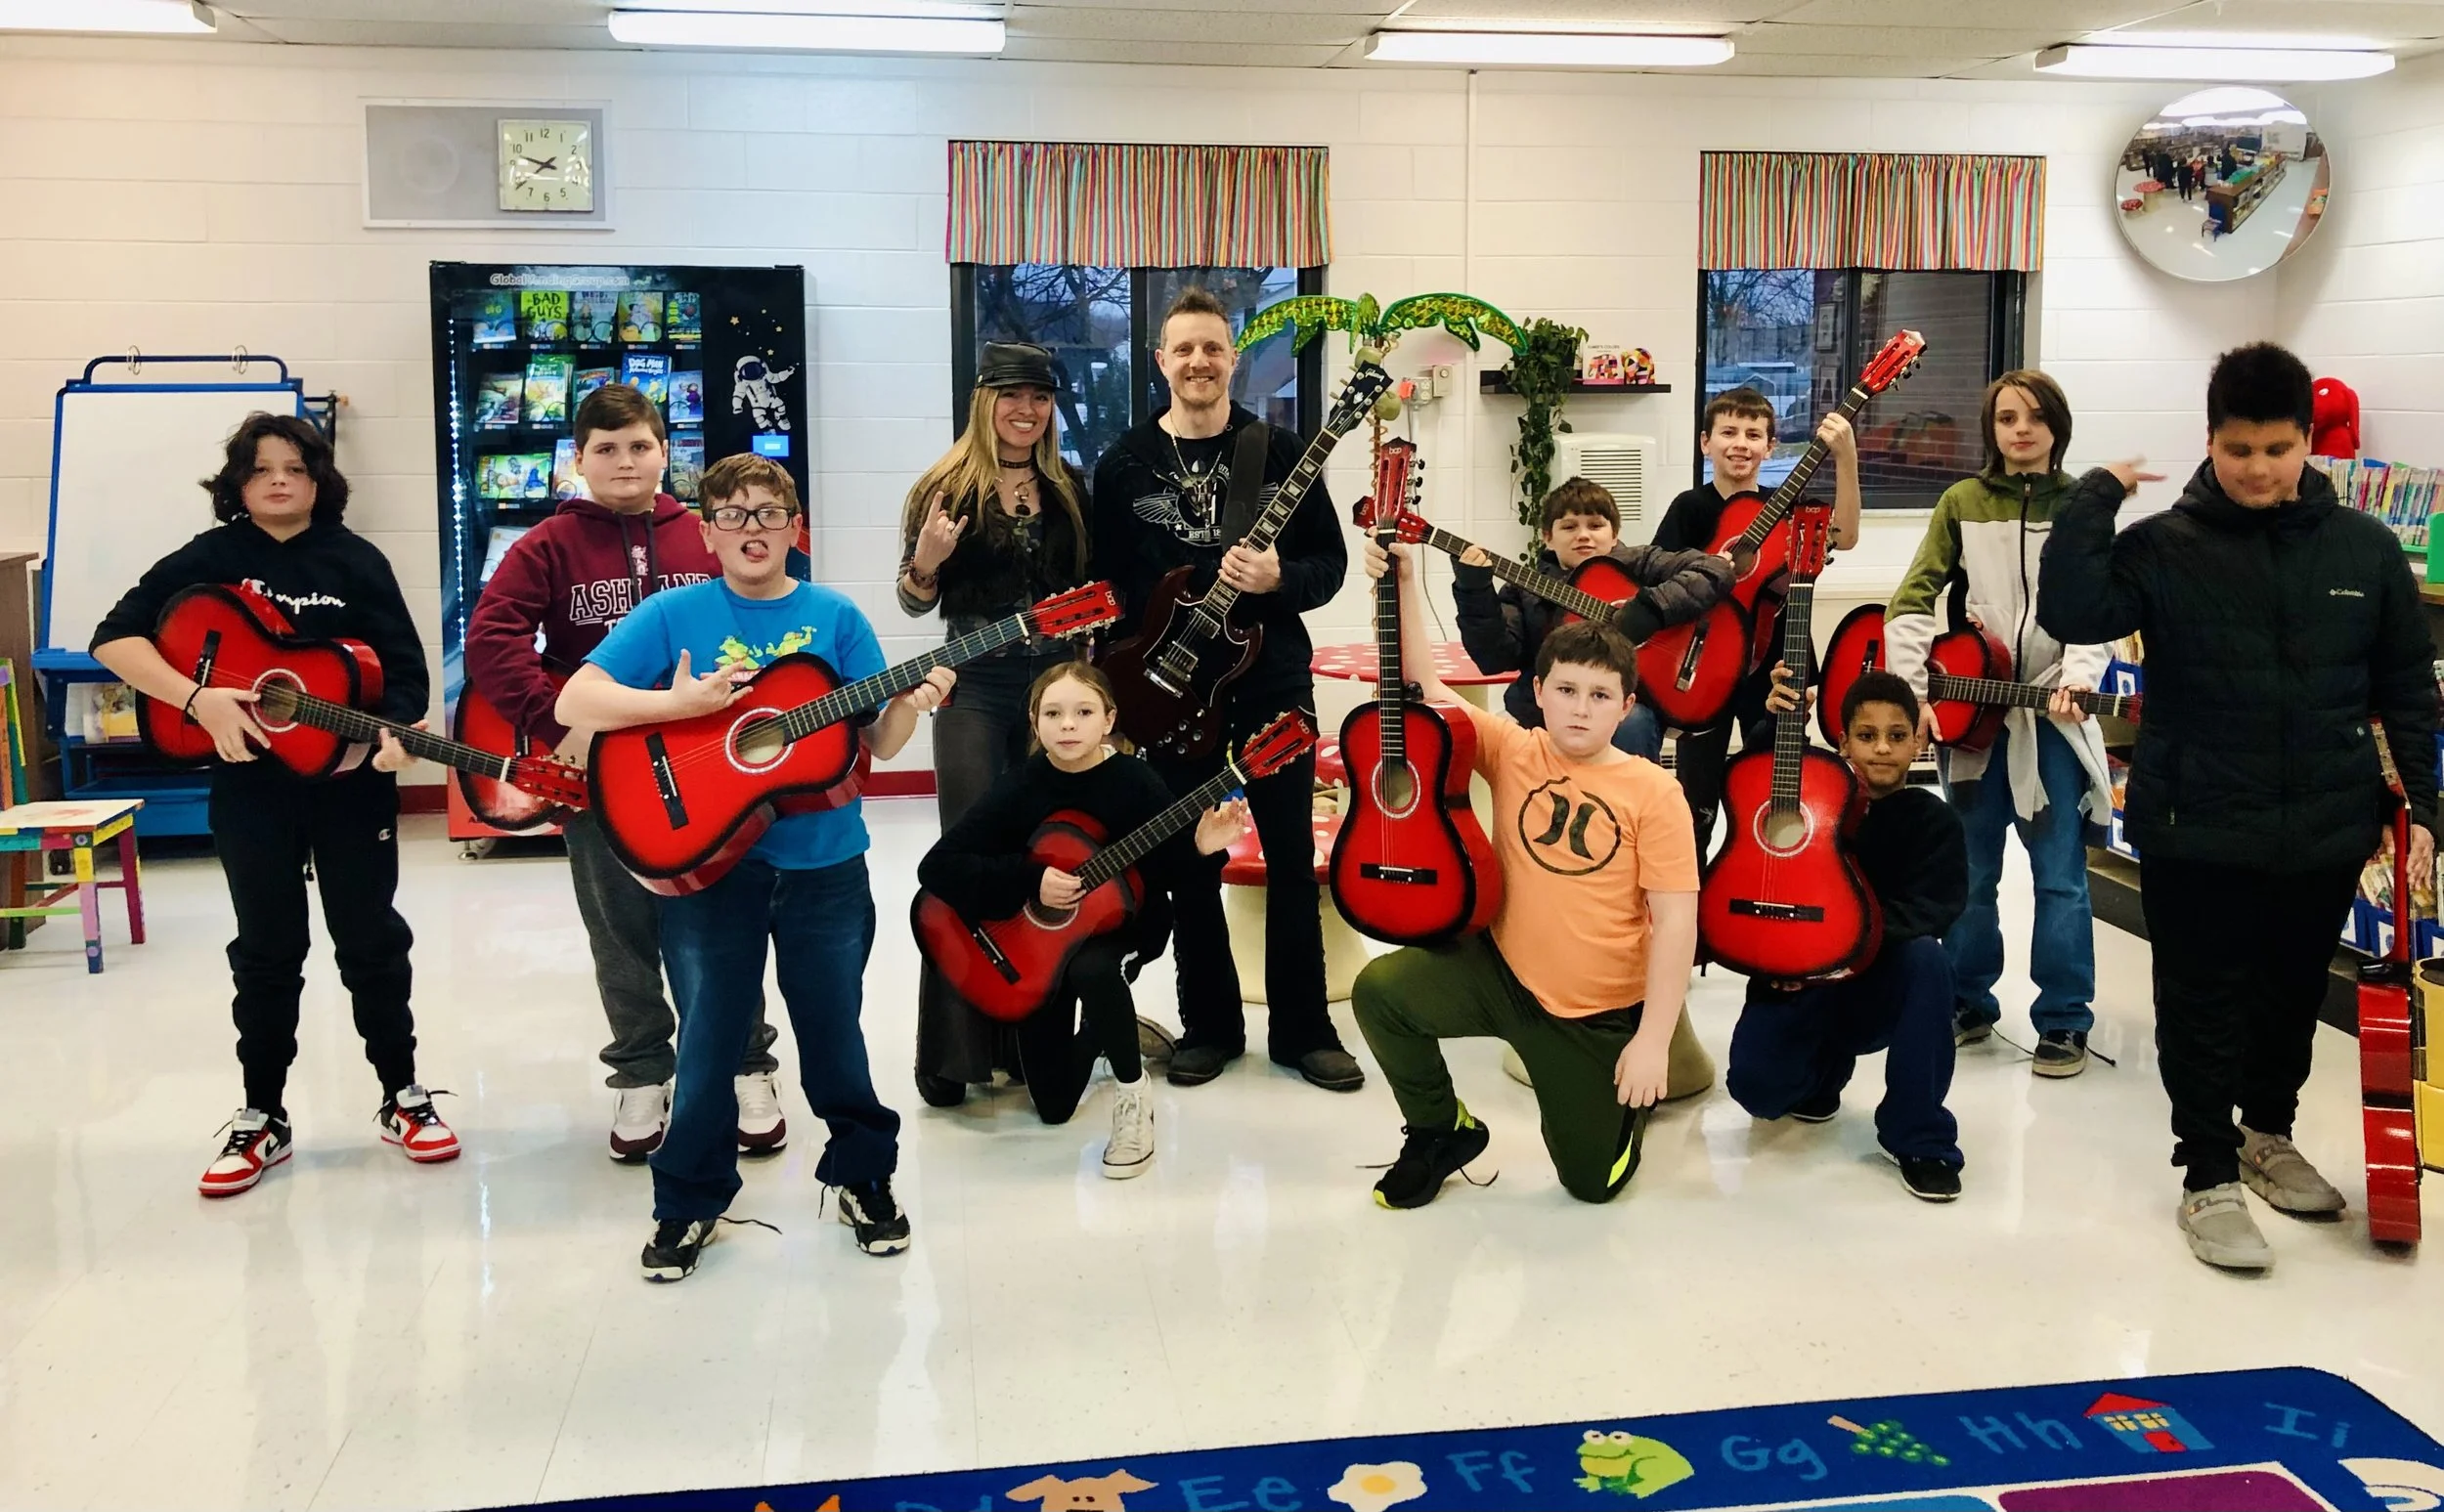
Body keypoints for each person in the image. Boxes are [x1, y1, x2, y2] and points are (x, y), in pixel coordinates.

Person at [2039, 341, 2440, 1273]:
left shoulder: (2366, 551)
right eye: (2238, 450)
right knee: (2202, 1001)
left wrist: (2423, 804)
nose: (2259, 469)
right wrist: (2095, 494)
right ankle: (2207, 1173)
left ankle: (2268, 1135)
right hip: (2198, 821)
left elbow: (2408, 688)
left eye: (2277, 448)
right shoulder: (2163, 547)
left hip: (2326, 825)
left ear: (2309, 444)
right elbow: (2074, 604)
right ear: (2209, 442)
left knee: (2291, 997)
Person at [556, 454, 948, 1281]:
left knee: (833, 1031)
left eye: (769, 513)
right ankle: (689, 1200)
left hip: (825, 865)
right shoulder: (673, 613)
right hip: (709, 869)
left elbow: (874, 743)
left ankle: (863, 1175)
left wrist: (910, 704)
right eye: (732, 514)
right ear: (705, 532)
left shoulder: (836, 619)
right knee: (707, 1040)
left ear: (795, 529)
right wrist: (680, 707)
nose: (752, 528)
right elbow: (575, 702)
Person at [92, 412, 456, 1195]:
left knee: (371, 940)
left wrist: (392, 735)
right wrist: (198, 699)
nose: (280, 480)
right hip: (250, 786)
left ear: (321, 477)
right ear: (238, 483)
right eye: (261, 470)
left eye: (295, 466)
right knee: (266, 949)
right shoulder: (211, 559)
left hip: (352, 786)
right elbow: (114, 639)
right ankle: (263, 1115)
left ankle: (403, 1094)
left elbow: (405, 679)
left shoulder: (357, 561)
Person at [463, 382, 783, 1163]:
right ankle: (643, 1071)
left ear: (666, 452)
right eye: (605, 449)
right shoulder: (544, 546)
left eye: (640, 445)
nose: (625, 461)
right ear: (578, 459)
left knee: (722, 920)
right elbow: (492, 638)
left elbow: (769, 610)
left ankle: (747, 1064)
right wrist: (556, 721)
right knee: (620, 929)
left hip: (710, 767)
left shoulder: (702, 536)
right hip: (600, 773)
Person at [1349, 537, 1699, 1207]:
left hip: (1591, 1011)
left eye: (1600, 695)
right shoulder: (1513, 747)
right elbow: (1425, 684)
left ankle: (1621, 1109)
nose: (1579, 707)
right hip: (1500, 973)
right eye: (1565, 689)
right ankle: (1438, 1128)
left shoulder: (1655, 793)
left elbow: (1677, 921)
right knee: (1380, 992)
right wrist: (1399, 583)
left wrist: (1655, 1041)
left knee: (1592, 1185)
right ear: (1536, 692)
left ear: (1627, 706)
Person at [1089, 286, 1358, 1093]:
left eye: (1214, 348)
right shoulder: (1123, 462)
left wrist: (1278, 577)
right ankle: (1209, 1025)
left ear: (1232, 359)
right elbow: (1108, 589)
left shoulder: (1276, 453)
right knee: (1189, 859)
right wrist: (1125, 685)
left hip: (1271, 677)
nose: (1199, 362)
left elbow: (1330, 566)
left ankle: (1305, 1029)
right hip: (1171, 690)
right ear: (1161, 359)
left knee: (1286, 854)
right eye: (1185, 349)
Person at [915, 662, 1248, 1174]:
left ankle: (1133, 1099)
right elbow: (937, 867)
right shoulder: (1020, 786)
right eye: (1053, 712)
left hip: (1125, 928)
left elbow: (1175, 879)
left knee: (1093, 969)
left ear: (1109, 719)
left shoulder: (1135, 781)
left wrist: (1202, 850)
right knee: (1052, 1107)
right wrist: (1031, 881)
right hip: (1040, 943)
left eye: (1083, 711)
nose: (1068, 724)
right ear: (1034, 720)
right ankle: (1109, 1026)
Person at [1883, 370, 2112, 1077]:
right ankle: (1966, 999)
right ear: (1991, 427)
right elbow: (1912, 597)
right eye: (2008, 417)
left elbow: (2101, 609)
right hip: (1976, 719)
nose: (2021, 429)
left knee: (2061, 877)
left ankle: (2065, 1018)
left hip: (2051, 720)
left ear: (2057, 426)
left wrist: (2079, 677)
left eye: (2036, 417)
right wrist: (1914, 691)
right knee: (1973, 871)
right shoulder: (1961, 501)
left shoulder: (2083, 505)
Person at [899, 342, 1095, 1108]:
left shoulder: (1069, 488)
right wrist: (924, 562)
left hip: (1053, 695)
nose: (1027, 410)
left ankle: (1031, 1044)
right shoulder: (942, 489)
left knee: (1046, 858)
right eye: (1012, 395)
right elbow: (917, 600)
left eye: (1040, 398)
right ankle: (952, 1054)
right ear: (984, 401)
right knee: (970, 858)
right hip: (973, 689)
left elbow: (1092, 601)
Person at [1728, 667, 1969, 1201]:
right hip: (1803, 983)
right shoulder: (1809, 809)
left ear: (1918, 741)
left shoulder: (1935, 822)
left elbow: (1934, 909)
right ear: (1842, 742)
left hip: (1877, 985)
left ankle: (1920, 1137)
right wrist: (1775, 724)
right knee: (1757, 1092)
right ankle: (1819, 1077)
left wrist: (1843, 942)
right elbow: (1756, 800)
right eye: (1866, 735)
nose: (1882, 748)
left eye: (1897, 735)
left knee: (1927, 959)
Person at [1651, 387, 1862, 854]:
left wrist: (1846, 458)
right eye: (1728, 432)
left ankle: (1765, 883)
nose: (1740, 443)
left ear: (1771, 446)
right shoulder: (1690, 507)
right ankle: (1694, 910)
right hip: (1705, 663)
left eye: (1753, 434)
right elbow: (1660, 582)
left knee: (1772, 792)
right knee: (1696, 801)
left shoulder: (1788, 505)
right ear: (1705, 442)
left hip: (1779, 663)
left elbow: (1844, 537)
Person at [1451, 474, 1734, 762]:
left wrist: (1650, 610)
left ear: (1614, 534)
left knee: (1631, 722)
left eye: (1596, 525)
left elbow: (1715, 570)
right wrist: (1474, 591)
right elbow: (1494, 658)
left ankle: (1633, 808)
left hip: (1634, 700)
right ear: (1547, 537)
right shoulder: (1523, 590)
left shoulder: (1642, 564)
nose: (1583, 535)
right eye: (1569, 527)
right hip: (1550, 714)